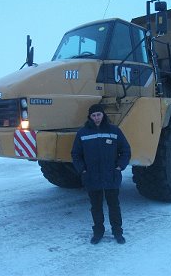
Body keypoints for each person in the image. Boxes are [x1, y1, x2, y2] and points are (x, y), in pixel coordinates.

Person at [71, 104, 131, 245]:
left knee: (114, 206)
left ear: (103, 115)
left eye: (99, 114)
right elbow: (76, 154)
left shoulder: (114, 131)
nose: (96, 118)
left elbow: (126, 150)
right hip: (92, 177)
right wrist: (82, 170)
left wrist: (119, 167)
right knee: (96, 207)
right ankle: (98, 232)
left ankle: (118, 232)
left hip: (111, 176)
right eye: (94, 115)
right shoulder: (83, 133)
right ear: (90, 117)